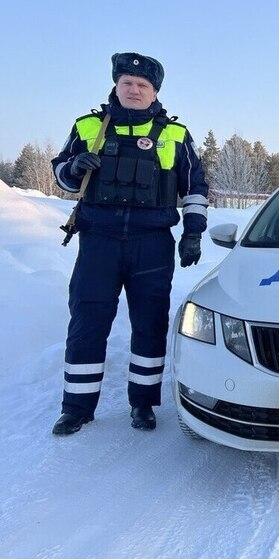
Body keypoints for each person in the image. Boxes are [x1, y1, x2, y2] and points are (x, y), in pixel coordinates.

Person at [51, 52, 209, 435]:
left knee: (149, 325)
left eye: (142, 85)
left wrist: (192, 233)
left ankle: (143, 403)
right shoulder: (88, 126)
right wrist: (73, 168)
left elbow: (196, 188)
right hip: (98, 242)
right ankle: (77, 407)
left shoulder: (176, 134)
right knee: (87, 323)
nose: (134, 90)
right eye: (128, 84)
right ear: (116, 86)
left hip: (151, 245)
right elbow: (61, 175)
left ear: (154, 91)